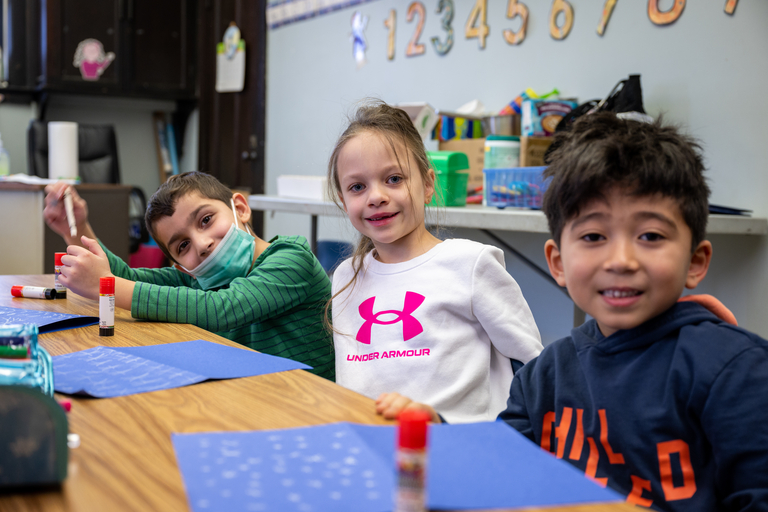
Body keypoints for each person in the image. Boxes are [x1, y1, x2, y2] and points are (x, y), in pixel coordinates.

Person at [376, 112, 768, 510]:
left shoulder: (738, 373)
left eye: (650, 235)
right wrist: (438, 433)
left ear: (697, 261)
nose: (621, 260)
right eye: (594, 236)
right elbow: (500, 469)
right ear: (558, 262)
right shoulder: (544, 376)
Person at [327, 100, 543, 423]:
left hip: (454, 448)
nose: (375, 197)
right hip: (369, 444)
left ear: (428, 185)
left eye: (394, 179)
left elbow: (536, 369)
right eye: (357, 187)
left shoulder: (471, 264)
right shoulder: (346, 276)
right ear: (344, 201)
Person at [44, 172, 335, 381]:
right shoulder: (201, 280)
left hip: (312, 406)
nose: (203, 244)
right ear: (180, 266)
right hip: (258, 399)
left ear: (241, 209)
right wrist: (76, 227)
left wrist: (105, 286)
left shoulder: (292, 259)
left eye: (206, 220)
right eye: (183, 246)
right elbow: (128, 277)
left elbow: (224, 309)